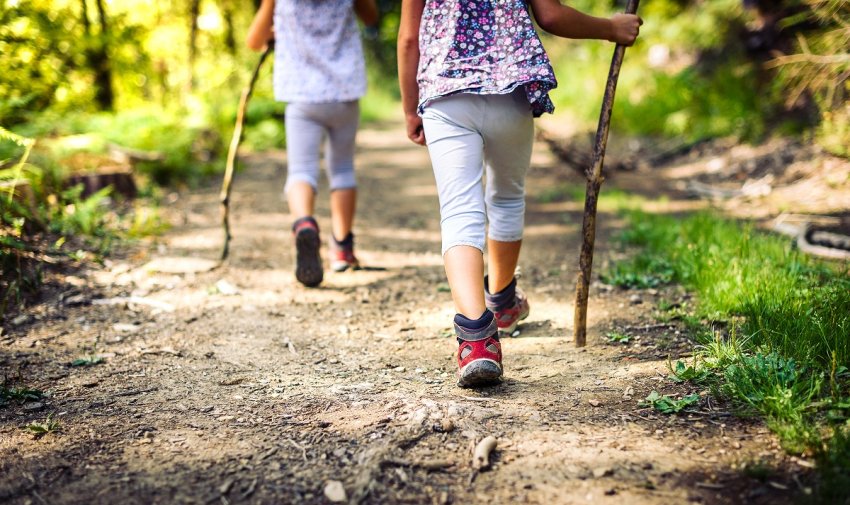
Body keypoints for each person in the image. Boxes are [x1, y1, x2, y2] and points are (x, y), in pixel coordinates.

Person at [397, 0, 641, 387]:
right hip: (508, 91)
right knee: (507, 197)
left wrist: (411, 108)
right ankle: (503, 301)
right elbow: (551, 15)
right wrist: (611, 28)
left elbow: (410, 38)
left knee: (460, 211)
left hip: (445, 95)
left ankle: (476, 340)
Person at [247, 0, 379, 287]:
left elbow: (254, 40)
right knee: (342, 169)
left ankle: (304, 222)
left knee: (301, 170)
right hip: (344, 92)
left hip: (302, 95)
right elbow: (371, 17)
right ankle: (342, 249)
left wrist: (275, 30)